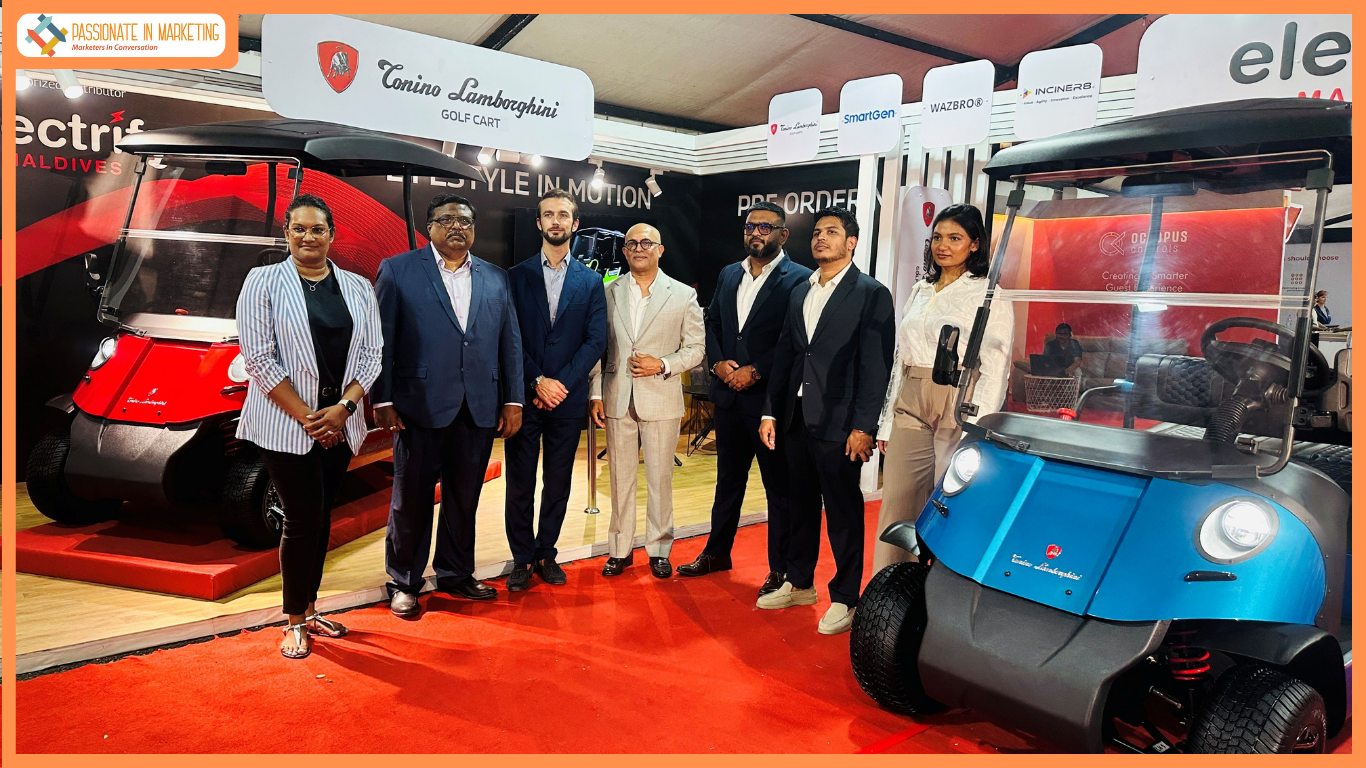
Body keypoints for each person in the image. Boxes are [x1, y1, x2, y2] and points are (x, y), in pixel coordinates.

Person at [235, 194, 383, 659]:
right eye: (298, 228)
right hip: (286, 425)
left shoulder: (358, 287)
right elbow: (259, 359)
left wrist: (343, 408)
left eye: (317, 229)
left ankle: (312, 609)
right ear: (286, 232)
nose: (308, 237)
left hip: (341, 422)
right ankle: (294, 621)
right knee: (301, 520)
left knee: (321, 519)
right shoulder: (262, 282)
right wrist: (309, 417)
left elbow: (372, 354)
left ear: (331, 234)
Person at [373, 194, 523, 618]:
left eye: (465, 221)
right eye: (447, 220)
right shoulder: (398, 270)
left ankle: (456, 573)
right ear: (430, 226)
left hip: (479, 407)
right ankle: (404, 581)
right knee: (411, 499)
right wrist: (382, 397)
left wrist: (513, 399)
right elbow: (381, 339)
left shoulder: (496, 276)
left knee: (464, 497)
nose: (458, 227)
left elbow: (510, 341)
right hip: (417, 406)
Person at [758, 206, 895, 635]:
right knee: (798, 505)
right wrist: (770, 410)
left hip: (842, 423)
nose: (821, 238)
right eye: (817, 232)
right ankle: (800, 583)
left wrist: (864, 426)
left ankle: (846, 598)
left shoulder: (871, 293)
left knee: (843, 513)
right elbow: (786, 354)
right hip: (795, 417)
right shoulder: (801, 289)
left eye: (832, 232)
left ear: (851, 243)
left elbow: (876, 366)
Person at [677, 202, 812, 596]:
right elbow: (713, 323)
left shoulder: (800, 279)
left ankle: (780, 570)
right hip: (728, 399)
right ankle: (717, 553)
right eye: (751, 226)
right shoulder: (729, 273)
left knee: (778, 489)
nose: (756, 233)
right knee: (728, 483)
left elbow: (794, 338)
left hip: (769, 403)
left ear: (783, 234)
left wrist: (755, 371)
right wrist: (718, 363)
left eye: (765, 227)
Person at [872, 203, 1014, 575]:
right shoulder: (920, 289)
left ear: (975, 244)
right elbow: (900, 358)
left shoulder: (989, 293)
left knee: (951, 503)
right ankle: (886, 592)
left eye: (954, 238)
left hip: (959, 398)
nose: (943, 245)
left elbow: (996, 366)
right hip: (911, 397)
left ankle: (942, 590)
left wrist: (979, 427)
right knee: (897, 503)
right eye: (937, 237)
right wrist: (886, 422)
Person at [503, 190, 608, 591]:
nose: (556, 221)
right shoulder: (514, 276)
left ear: (574, 224)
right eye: (549, 214)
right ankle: (521, 558)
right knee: (520, 483)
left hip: (566, 399)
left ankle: (547, 553)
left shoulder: (591, 281)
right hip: (525, 397)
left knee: (558, 481)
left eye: (563, 215)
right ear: (539, 223)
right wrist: (537, 380)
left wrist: (560, 384)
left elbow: (595, 340)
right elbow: (510, 337)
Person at [589, 224, 705, 579]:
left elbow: (696, 349)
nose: (639, 248)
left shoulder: (682, 294)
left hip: (661, 397)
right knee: (619, 479)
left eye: (647, 243)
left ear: (660, 250)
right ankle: (619, 550)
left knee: (660, 480)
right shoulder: (607, 292)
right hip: (616, 397)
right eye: (632, 243)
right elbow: (597, 346)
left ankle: (659, 549)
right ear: (625, 251)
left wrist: (664, 364)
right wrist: (596, 392)